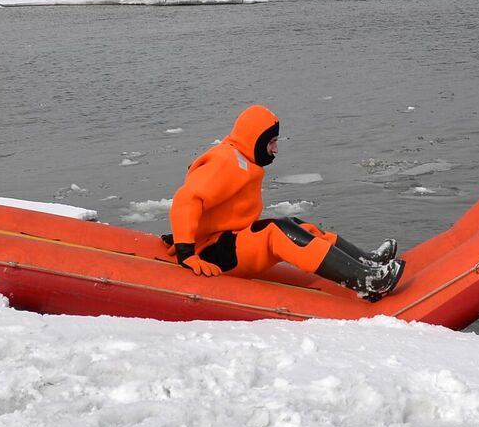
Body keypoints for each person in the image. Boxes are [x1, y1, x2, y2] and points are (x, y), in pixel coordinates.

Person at [167, 104, 405, 300]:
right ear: (255, 140)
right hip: (213, 253)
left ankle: (366, 261)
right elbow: (186, 199)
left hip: (226, 238)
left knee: (294, 225)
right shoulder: (225, 161)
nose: (276, 149)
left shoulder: (241, 157)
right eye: (272, 142)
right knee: (277, 233)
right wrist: (185, 250)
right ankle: (369, 282)